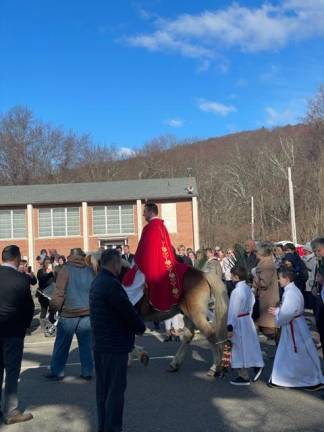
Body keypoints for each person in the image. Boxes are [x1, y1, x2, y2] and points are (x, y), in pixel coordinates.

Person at [90, 249, 146, 432]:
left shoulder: (97, 281)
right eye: (120, 264)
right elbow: (126, 311)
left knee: (103, 392)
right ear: (115, 264)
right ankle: (112, 428)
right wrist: (140, 327)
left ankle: (104, 426)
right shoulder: (111, 284)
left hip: (101, 343)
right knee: (114, 393)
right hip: (114, 345)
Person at [123, 202, 188, 312]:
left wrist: (136, 263)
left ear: (150, 211)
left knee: (128, 287)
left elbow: (143, 251)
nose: (143, 215)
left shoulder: (149, 228)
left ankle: (129, 311)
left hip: (152, 266)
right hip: (166, 264)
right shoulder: (162, 226)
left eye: (144, 211)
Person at [268, 268, 324, 390]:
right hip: (295, 325)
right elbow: (290, 310)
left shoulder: (290, 293)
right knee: (289, 353)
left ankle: (313, 380)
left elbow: (287, 313)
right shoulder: (291, 290)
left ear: (286, 279)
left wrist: (278, 317)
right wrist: (278, 311)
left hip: (293, 326)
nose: (278, 280)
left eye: (280, 278)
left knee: (299, 353)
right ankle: (281, 379)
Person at [46, 248, 95, 380]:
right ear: (82, 256)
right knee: (86, 344)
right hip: (87, 312)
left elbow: (58, 293)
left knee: (62, 344)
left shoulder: (65, 270)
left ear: (70, 257)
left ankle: (57, 371)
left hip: (69, 313)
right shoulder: (90, 270)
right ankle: (87, 371)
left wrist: (52, 311)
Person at [0, 245, 34, 425]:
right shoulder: (21, 280)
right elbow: (28, 309)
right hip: (13, 332)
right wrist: (24, 328)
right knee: (12, 371)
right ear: (17, 258)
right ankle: (11, 411)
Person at [227, 266, 264, 386]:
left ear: (236, 277)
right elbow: (253, 303)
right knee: (249, 345)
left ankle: (243, 376)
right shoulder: (248, 288)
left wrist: (230, 327)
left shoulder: (236, 291)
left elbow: (233, 310)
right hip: (247, 319)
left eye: (232, 275)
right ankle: (256, 364)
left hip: (239, 321)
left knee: (238, 347)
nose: (230, 278)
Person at [253, 242, 279, 338]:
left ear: (261, 253)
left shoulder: (266, 265)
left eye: (256, 252)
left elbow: (264, 283)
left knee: (269, 325)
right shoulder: (265, 263)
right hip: (266, 296)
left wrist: (255, 283)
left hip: (267, 298)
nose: (255, 254)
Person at [312, 237, 324, 357]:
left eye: (318, 251)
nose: (316, 253)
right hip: (320, 297)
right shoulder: (319, 262)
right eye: (315, 251)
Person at [37, 256, 55, 332]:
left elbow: (55, 280)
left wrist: (53, 272)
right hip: (43, 293)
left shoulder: (52, 271)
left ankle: (51, 325)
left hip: (51, 294)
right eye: (46, 262)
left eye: (49, 262)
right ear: (44, 263)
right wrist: (47, 273)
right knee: (44, 310)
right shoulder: (41, 271)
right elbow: (41, 280)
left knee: (52, 310)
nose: (48, 264)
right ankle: (43, 326)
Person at [302, 243, 317, 309]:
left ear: (309, 251)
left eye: (305, 250)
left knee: (311, 296)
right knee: (307, 295)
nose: (304, 251)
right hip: (305, 280)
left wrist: (304, 263)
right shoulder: (304, 258)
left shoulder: (314, 258)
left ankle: (311, 309)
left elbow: (312, 268)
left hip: (311, 280)